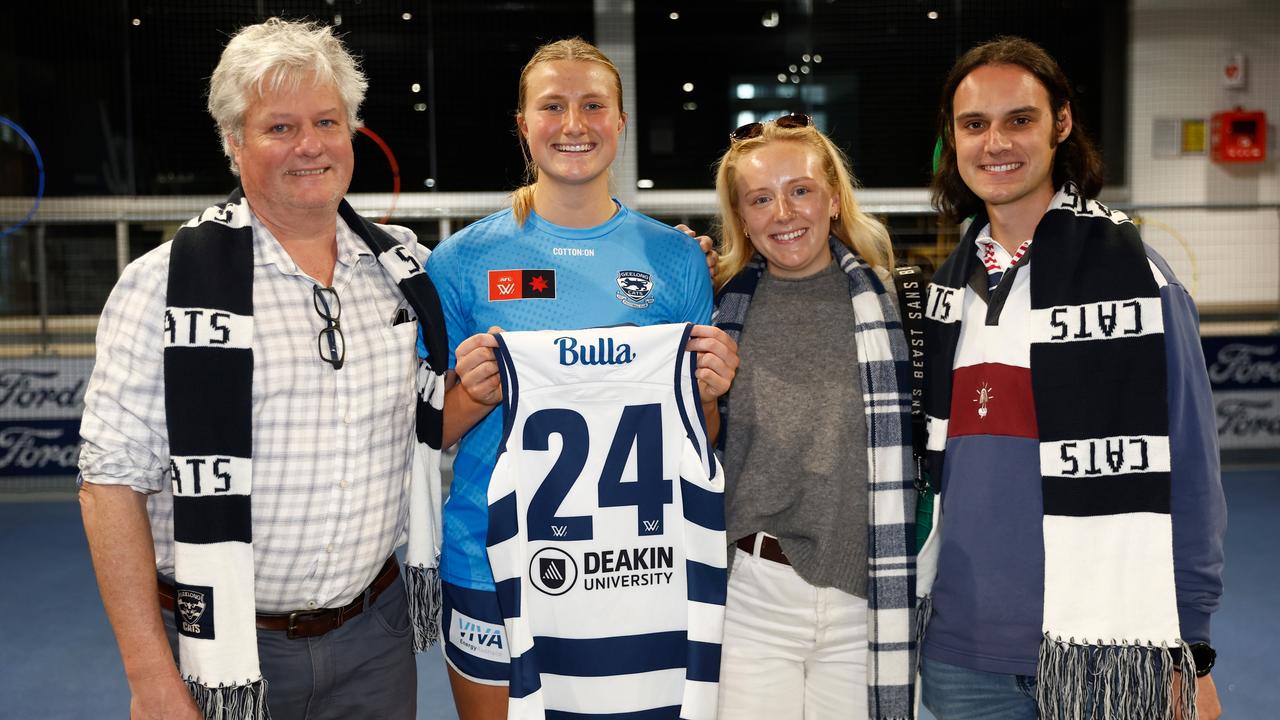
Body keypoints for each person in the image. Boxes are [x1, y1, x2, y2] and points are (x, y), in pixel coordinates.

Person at [77, 18, 447, 720]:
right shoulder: (163, 285)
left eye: (327, 121)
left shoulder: (406, 273)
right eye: (279, 128)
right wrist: (151, 680)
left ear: (351, 131)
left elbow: (495, 352)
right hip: (220, 651)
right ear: (234, 142)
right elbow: (109, 487)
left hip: (377, 638)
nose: (310, 145)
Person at [424, 37, 739, 719]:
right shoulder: (459, 261)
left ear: (620, 123)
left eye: (594, 106)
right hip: (491, 559)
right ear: (522, 124)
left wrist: (708, 395)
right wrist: (473, 395)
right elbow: (423, 433)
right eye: (553, 106)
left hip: (635, 567)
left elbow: (698, 437)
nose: (574, 125)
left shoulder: (677, 260)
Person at [918, 36, 1226, 720]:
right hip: (961, 654)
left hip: (1108, 652)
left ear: (1061, 124)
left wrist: (1193, 649)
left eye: (1018, 119)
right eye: (974, 125)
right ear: (953, 139)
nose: (996, 142)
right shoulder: (940, 295)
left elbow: (1192, 471)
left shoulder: (1137, 276)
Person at [708, 114, 917, 720]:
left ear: (832, 198)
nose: (783, 213)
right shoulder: (716, 308)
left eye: (800, 190)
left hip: (866, 598)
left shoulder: (897, 305)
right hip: (752, 599)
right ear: (743, 217)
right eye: (761, 199)